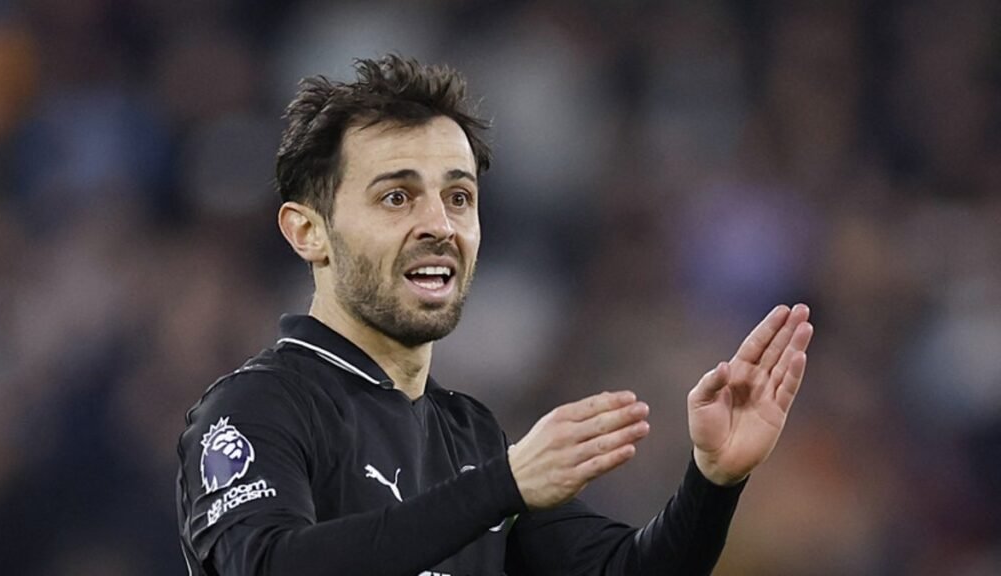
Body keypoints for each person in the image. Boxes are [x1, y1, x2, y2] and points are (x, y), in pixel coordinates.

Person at [176, 55, 814, 576]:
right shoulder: (258, 407)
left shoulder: (469, 438)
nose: (440, 225)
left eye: (459, 196)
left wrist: (712, 481)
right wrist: (500, 487)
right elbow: (268, 566)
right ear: (308, 232)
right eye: (396, 197)